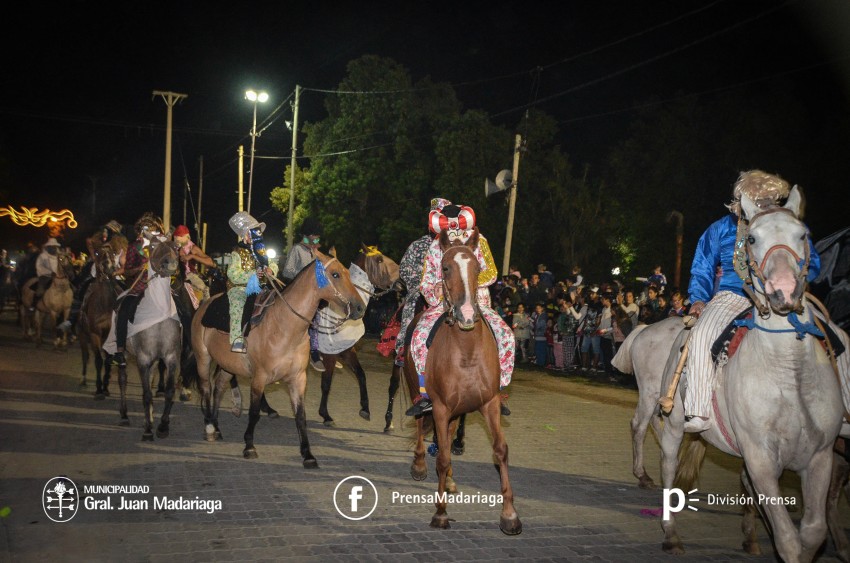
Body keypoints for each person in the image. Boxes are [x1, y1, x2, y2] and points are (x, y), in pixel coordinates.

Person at [683, 170, 823, 432]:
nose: (764, 202)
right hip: (732, 295)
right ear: (742, 201)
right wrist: (699, 298)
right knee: (701, 335)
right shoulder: (721, 228)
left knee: (834, 336)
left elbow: (812, 261)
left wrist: (797, 278)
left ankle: (843, 407)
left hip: (783, 293)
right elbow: (702, 266)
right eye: (757, 198)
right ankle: (698, 408)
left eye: (769, 197)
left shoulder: (786, 223)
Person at [405, 204, 514, 417]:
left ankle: (497, 389)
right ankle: (424, 393)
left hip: (478, 301)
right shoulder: (436, 246)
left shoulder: (479, 241)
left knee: (507, 336)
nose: (454, 228)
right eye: (449, 225)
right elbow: (426, 281)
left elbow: (491, 272)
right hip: (443, 303)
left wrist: (467, 280)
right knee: (418, 337)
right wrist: (435, 290)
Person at [394, 197, 452, 368]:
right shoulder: (418, 245)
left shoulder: (457, 243)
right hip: (422, 291)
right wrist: (422, 283)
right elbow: (405, 268)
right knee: (411, 309)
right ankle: (404, 349)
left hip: (451, 292)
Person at [111, 213, 165, 367]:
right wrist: (139, 268)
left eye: (153, 230)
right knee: (123, 310)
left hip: (160, 286)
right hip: (139, 286)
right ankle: (120, 351)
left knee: (183, 307)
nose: (150, 233)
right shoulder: (134, 247)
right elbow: (127, 271)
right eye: (147, 230)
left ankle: (188, 344)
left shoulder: (161, 245)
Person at [226, 211, 278, 353]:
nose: (256, 236)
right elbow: (232, 274)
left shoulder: (261, 252)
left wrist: (271, 270)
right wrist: (252, 274)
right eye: (252, 233)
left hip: (260, 288)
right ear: (245, 235)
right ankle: (237, 339)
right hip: (239, 288)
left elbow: (273, 264)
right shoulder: (236, 252)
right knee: (237, 305)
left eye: (257, 233)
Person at [281, 217, 324, 369]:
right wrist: (304, 277)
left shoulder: (315, 252)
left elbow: (320, 275)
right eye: (315, 235)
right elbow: (287, 271)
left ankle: (324, 351)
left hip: (313, 295)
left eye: (318, 235)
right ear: (308, 234)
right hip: (297, 295)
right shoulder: (297, 249)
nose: (317, 238)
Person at [173, 225, 215, 308]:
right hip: (176, 276)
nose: (177, 239)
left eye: (180, 236)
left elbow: (210, 262)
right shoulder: (175, 248)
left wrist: (192, 256)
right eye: (176, 237)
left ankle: (206, 310)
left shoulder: (193, 248)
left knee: (205, 290)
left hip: (190, 275)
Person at [31, 237, 63, 311]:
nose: (53, 248)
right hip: (45, 276)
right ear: (48, 247)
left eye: (54, 246)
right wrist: (49, 272)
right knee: (40, 290)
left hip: (58, 276)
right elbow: (39, 266)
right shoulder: (43, 256)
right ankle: (34, 304)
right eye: (52, 246)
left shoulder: (59, 256)